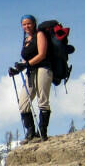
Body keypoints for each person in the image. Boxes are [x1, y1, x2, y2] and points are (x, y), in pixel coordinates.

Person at [9, 14, 53, 144]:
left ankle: (42, 132)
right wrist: (17, 70)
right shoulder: (26, 39)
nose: (26, 26)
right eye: (24, 24)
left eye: (28, 23)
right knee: (23, 103)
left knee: (42, 99)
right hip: (31, 71)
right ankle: (30, 133)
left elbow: (42, 54)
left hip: (44, 69)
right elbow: (26, 60)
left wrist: (26, 64)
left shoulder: (40, 35)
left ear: (34, 23)